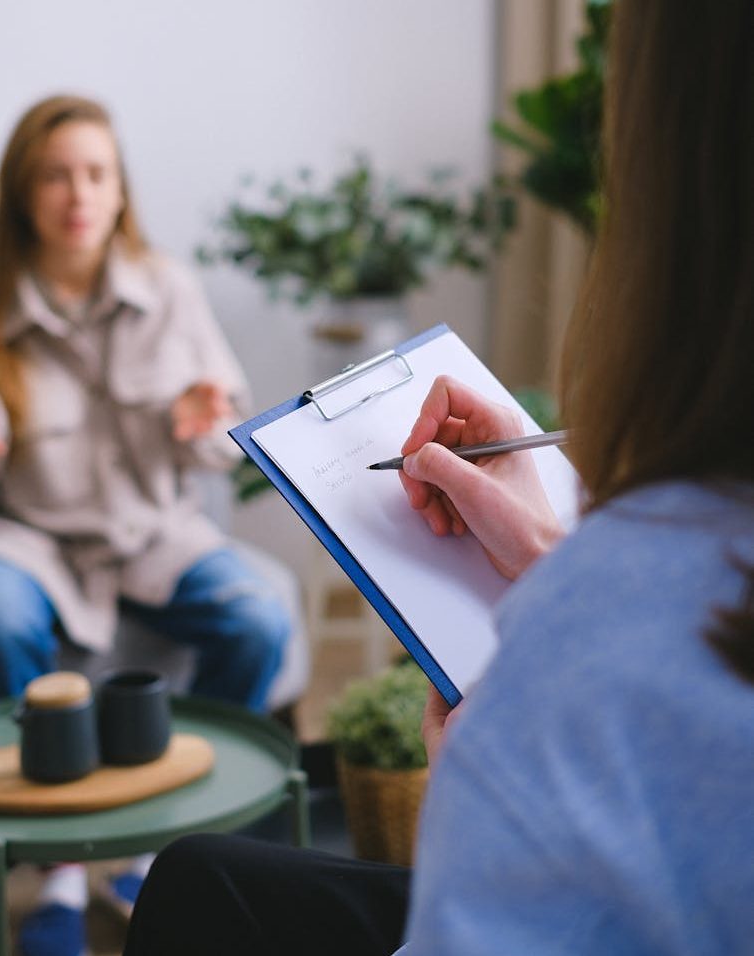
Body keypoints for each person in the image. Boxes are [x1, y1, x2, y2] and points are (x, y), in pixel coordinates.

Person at [122, 1, 754, 953]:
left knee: (199, 892)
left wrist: (473, 794)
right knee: (207, 874)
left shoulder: (614, 640)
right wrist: (548, 557)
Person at [0, 94, 291, 956]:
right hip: (21, 540)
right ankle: (57, 869)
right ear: (22, 194)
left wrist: (200, 428)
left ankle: (148, 845)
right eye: (55, 175)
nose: (77, 193)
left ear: (119, 190)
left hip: (150, 534)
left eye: (95, 174)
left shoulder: (170, 288)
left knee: (259, 618)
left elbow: (228, 442)